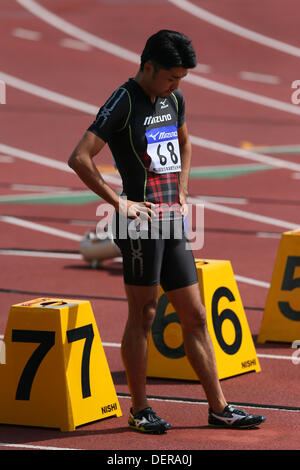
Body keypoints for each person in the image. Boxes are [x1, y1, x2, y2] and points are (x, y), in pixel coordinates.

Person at [68, 30, 266, 433]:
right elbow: (79, 157)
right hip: (139, 223)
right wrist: (119, 202)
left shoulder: (174, 99)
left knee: (194, 314)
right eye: (171, 76)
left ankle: (220, 407)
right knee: (144, 312)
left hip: (172, 218)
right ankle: (140, 409)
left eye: (182, 78)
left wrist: (184, 189)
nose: (177, 84)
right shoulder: (124, 100)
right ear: (148, 67)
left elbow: (185, 142)